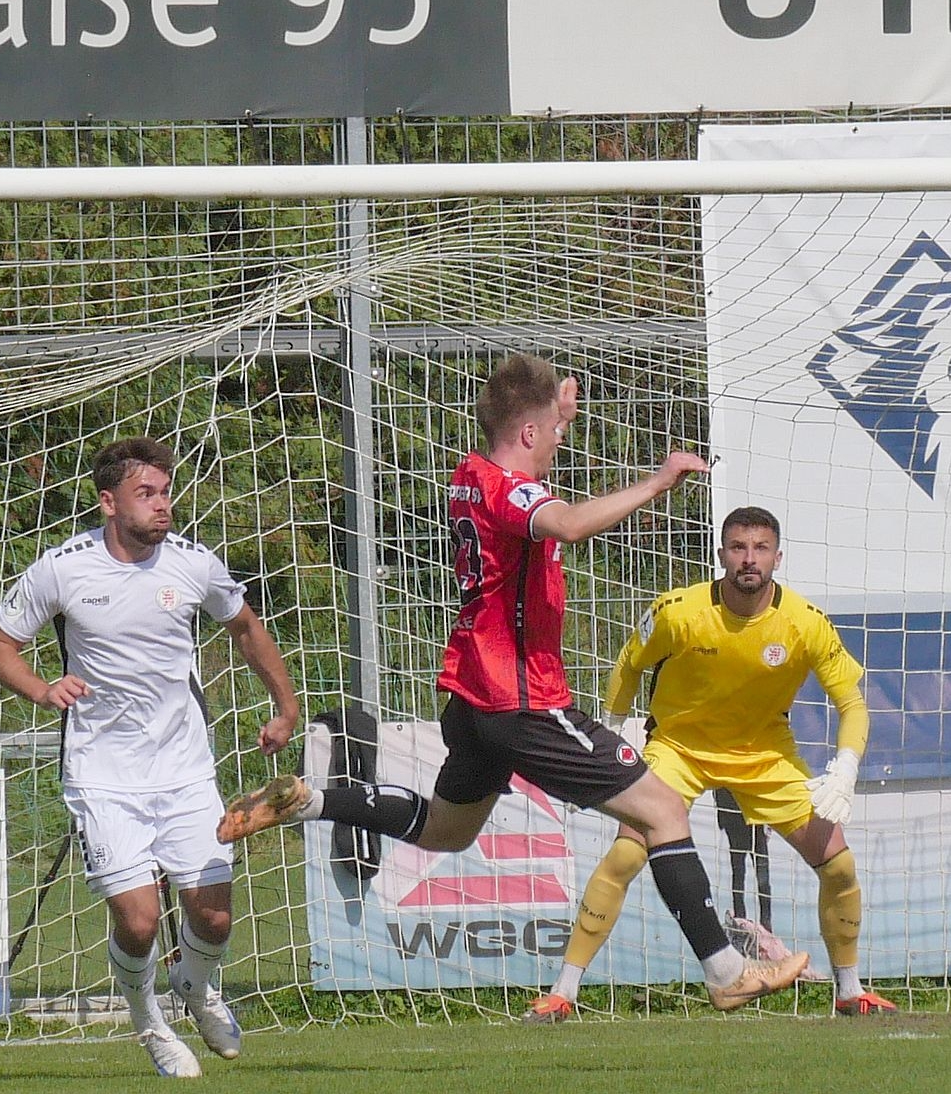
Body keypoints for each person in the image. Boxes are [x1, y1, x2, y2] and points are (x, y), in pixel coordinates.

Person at [215, 354, 806, 1009]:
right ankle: (727, 972)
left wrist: (558, 414)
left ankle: (310, 802)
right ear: (527, 432)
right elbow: (568, 524)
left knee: (445, 830)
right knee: (663, 810)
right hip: (522, 699)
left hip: (470, 696)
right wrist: (659, 480)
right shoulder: (512, 493)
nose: (559, 441)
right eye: (553, 432)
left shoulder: (469, 475)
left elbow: (527, 472)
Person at [0, 438, 299, 1077]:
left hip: (185, 769)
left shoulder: (193, 563)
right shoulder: (62, 569)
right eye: (145, 493)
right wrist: (42, 689)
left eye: (165, 492)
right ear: (109, 502)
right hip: (103, 777)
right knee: (141, 921)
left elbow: (245, 628)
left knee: (213, 916)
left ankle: (196, 986)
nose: (162, 505)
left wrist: (285, 707)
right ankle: (150, 1022)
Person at [521, 505, 894, 1022]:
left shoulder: (805, 623)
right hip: (679, 750)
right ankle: (563, 992)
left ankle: (850, 992)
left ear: (778, 557)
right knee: (626, 855)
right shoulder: (678, 611)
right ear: (721, 554)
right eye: (738, 547)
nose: (749, 559)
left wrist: (847, 766)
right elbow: (630, 664)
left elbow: (852, 703)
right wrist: (612, 731)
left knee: (840, 865)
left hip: (764, 755)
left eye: (760, 549)